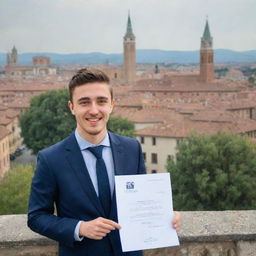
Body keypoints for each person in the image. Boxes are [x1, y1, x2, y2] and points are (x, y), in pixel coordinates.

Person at [27, 68, 180, 256]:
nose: (94, 110)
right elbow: (36, 217)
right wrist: (79, 228)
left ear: (112, 105)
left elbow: (141, 200)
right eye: (84, 102)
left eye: (101, 101)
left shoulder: (132, 148)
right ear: (72, 107)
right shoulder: (51, 158)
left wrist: (164, 216)